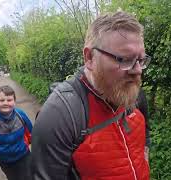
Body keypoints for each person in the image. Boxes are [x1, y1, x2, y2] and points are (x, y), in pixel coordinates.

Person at [32, 11, 151, 180]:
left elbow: (145, 130)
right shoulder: (59, 114)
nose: (138, 70)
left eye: (141, 60)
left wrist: (145, 156)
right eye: (124, 59)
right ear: (89, 58)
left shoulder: (131, 90)